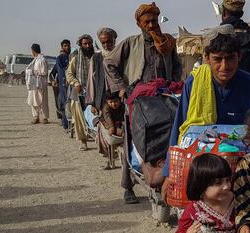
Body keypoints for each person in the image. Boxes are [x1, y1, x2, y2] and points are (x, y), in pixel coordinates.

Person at [104, 2, 182, 204]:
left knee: (166, 139)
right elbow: (109, 62)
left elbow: (177, 69)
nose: (151, 25)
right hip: (137, 101)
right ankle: (128, 187)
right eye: (146, 21)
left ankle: (164, 178)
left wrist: (172, 84)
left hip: (162, 100)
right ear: (138, 23)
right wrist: (121, 87)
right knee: (132, 142)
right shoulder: (131, 43)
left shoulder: (168, 43)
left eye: (154, 20)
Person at [163, 25, 250, 180]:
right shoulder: (194, 82)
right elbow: (180, 125)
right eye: (218, 59)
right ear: (207, 58)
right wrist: (170, 173)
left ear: (239, 57)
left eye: (230, 58)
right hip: (203, 167)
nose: (224, 66)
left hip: (241, 167)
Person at [177, 153, 235, 233]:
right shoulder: (193, 209)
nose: (226, 186)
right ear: (201, 185)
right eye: (218, 183)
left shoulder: (238, 201)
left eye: (228, 180)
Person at [66, 34, 94, 151]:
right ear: (81, 45)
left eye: (89, 43)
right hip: (79, 93)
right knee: (79, 118)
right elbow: (69, 74)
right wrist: (76, 83)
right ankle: (83, 141)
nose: (87, 46)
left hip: (94, 92)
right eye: (85, 44)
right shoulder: (76, 59)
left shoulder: (96, 58)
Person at [86, 26, 118, 114]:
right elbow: (91, 81)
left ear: (113, 40)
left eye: (109, 42)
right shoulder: (96, 58)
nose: (106, 45)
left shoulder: (120, 55)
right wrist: (92, 103)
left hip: (118, 100)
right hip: (101, 98)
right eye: (103, 43)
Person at [26, 44, 49, 124]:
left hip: (40, 83)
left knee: (42, 100)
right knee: (33, 100)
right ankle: (36, 117)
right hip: (33, 83)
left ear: (33, 50)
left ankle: (44, 117)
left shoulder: (42, 60)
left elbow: (44, 72)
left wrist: (33, 72)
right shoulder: (35, 60)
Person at [55, 39, 71, 130]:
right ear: (62, 47)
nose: (67, 47)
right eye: (65, 46)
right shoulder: (59, 58)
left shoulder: (73, 56)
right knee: (66, 103)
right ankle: (66, 125)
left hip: (72, 84)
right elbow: (61, 71)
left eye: (68, 45)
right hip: (64, 84)